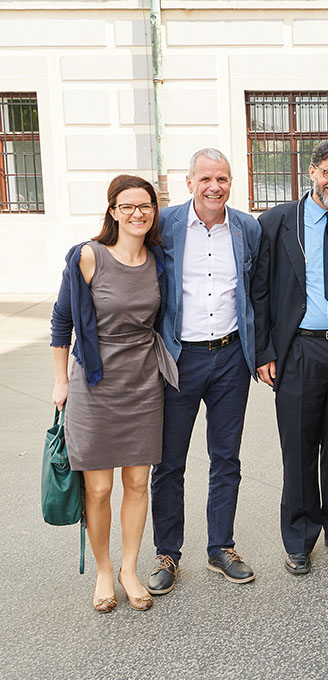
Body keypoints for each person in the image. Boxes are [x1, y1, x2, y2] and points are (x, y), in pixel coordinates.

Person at [50, 174, 179, 612]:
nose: (137, 213)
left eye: (145, 206)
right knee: (100, 488)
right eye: (128, 206)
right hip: (95, 382)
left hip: (143, 381)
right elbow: (61, 321)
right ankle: (104, 570)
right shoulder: (88, 256)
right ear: (113, 211)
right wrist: (61, 380)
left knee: (138, 482)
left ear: (154, 211)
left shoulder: (157, 260)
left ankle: (129, 569)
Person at [251, 140, 328, 575]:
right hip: (299, 349)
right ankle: (300, 538)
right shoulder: (277, 221)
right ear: (312, 171)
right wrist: (264, 350)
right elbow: (260, 291)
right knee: (299, 447)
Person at [147, 148, 261, 595]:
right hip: (179, 359)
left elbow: (257, 291)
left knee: (226, 458)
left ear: (231, 182)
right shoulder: (164, 225)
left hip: (231, 357)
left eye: (223, 179)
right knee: (169, 461)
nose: (215, 187)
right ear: (190, 181)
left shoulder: (247, 228)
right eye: (207, 179)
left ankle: (221, 547)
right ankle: (167, 553)